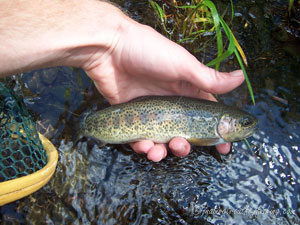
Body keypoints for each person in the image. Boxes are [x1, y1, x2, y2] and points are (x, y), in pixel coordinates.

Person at [0, 0, 245, 162]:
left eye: (244, 123)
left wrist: (112, 42)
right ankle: (79, 128)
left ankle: (79, 129)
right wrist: (112, 43)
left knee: (155, 147)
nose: (246, 127)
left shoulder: (214, 130)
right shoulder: (213, 132)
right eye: (243, 123)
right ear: (226, 122)